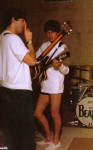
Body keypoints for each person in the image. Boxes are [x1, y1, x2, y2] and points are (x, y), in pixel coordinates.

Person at [0, 8, 36, 150]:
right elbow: (32, 61)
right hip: (19, 91)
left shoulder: (2, 37)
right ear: (13, 19)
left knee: (12, 131)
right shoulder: (13, 39)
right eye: (22, 21)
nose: (25, 24)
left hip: (5, 89)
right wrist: (29, 41)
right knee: (26, 132)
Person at [34, 20, 69, 150]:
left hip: (56, 84)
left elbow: (67, 71)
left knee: (54, 113)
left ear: (58, 33)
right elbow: (35, 60)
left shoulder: (62, 47)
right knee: (37, 113)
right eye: (47, 32)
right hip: (45, 83)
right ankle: (48, 136)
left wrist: (60, 66)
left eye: (52, 32)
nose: (50, 35)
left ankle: (56, 141)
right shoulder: (44, 46)